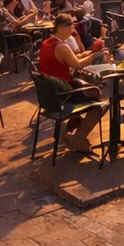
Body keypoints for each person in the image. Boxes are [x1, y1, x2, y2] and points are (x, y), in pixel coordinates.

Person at [36, 13, 108, 154]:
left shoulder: (47, 43)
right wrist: (94, 55)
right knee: (99, 105)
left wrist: (89, 52)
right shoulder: (61, 47)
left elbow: (71, 59)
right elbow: (77, 65)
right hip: (63, 93)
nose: (73, 30)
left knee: (94, 90)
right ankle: (78, 138)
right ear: (63, 27)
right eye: (71, 26)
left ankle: (68, 130)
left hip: (50, 92)